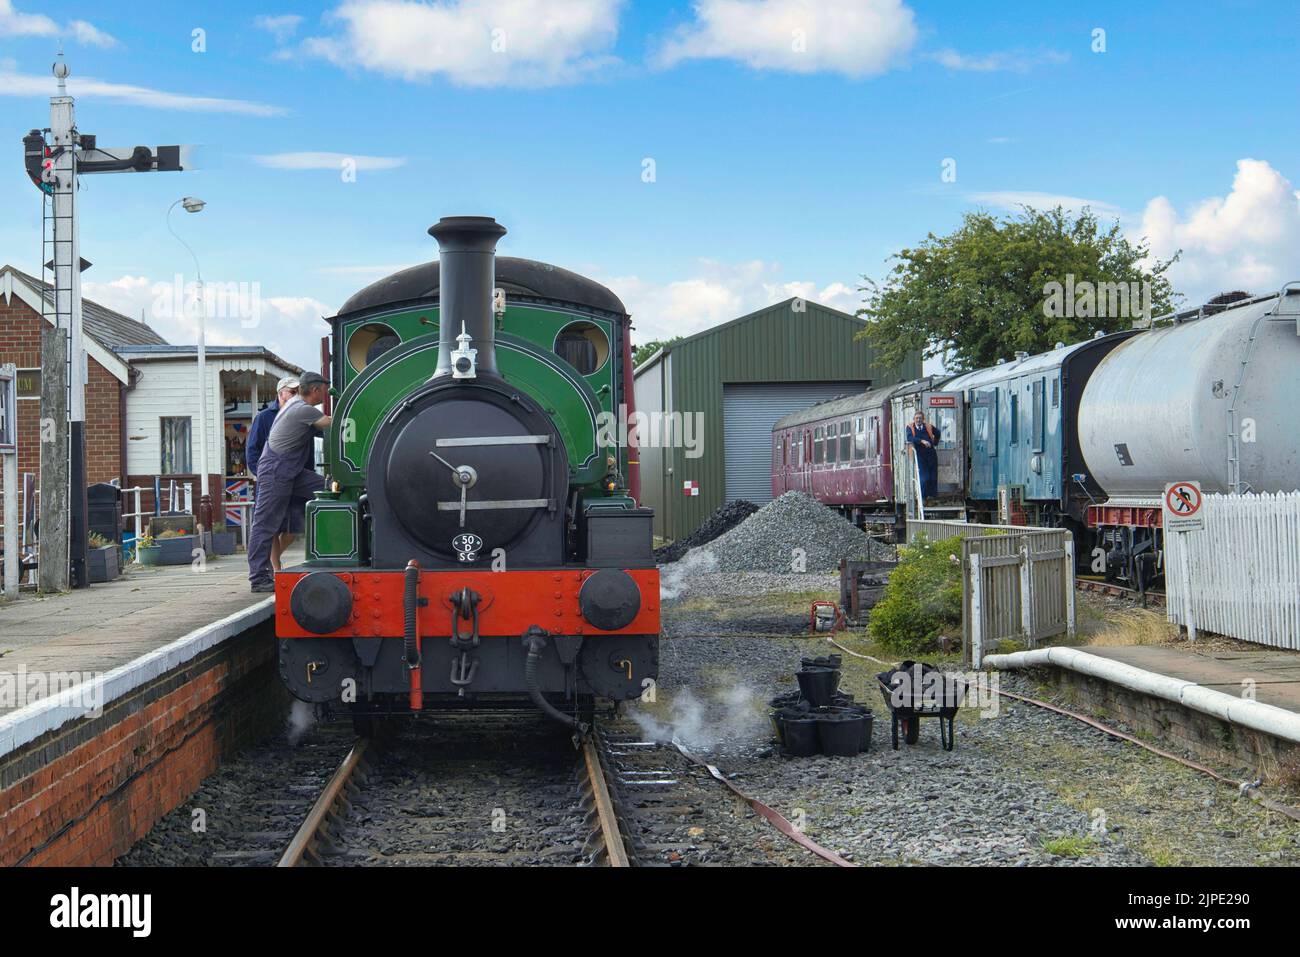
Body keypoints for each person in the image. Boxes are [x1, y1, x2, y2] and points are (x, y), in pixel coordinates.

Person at [247, 372, 332, 592]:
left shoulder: (294, 404)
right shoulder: (302, 409)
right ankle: (258, 578)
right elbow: (331, 424)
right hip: (277, 469)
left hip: (292, 471)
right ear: (314, 390)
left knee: (329, 489)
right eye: (324, 389)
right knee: (265, 524)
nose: (326, 393)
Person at [247, 377, 306, 572]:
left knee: (293, 529)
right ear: (281, 393)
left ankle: (274, 561)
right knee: (269, 526)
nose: (295, 395)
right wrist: (263, 475)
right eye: (292, 391)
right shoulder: (264, 417)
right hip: (271, 476)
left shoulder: (302, 413)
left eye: (298, 391)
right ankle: (275, 567)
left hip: (295, 476)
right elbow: (252, 450)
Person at [906, 410, 941, 501]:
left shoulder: (928, 426)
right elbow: (910, 438)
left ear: (923, 419)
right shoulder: (910, 427)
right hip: (920, 455)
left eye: (920, 418)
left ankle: (932, 497)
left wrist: (934, 443)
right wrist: (921, 441)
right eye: (917, 418)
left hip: (931, 454)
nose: (918, 420)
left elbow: (938, 433)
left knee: (933, 477)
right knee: (924, 477)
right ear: (914, 419)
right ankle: (923, 497)